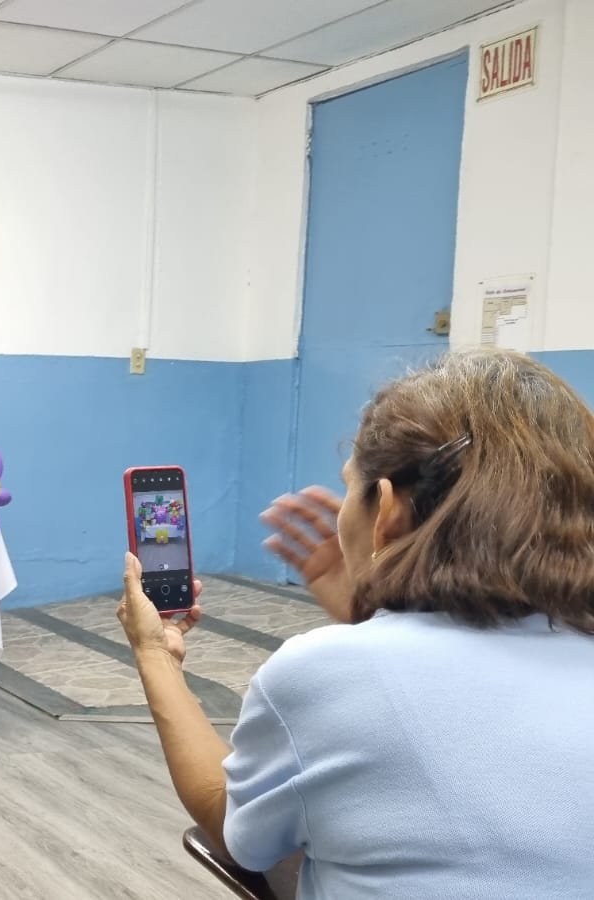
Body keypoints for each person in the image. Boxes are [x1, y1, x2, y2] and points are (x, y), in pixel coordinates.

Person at [119, 349, 594, 899]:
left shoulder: (322, 673)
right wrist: (373, 613)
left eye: (349, 487)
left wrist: (155, 654)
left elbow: (235, 829)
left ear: (387, 508)